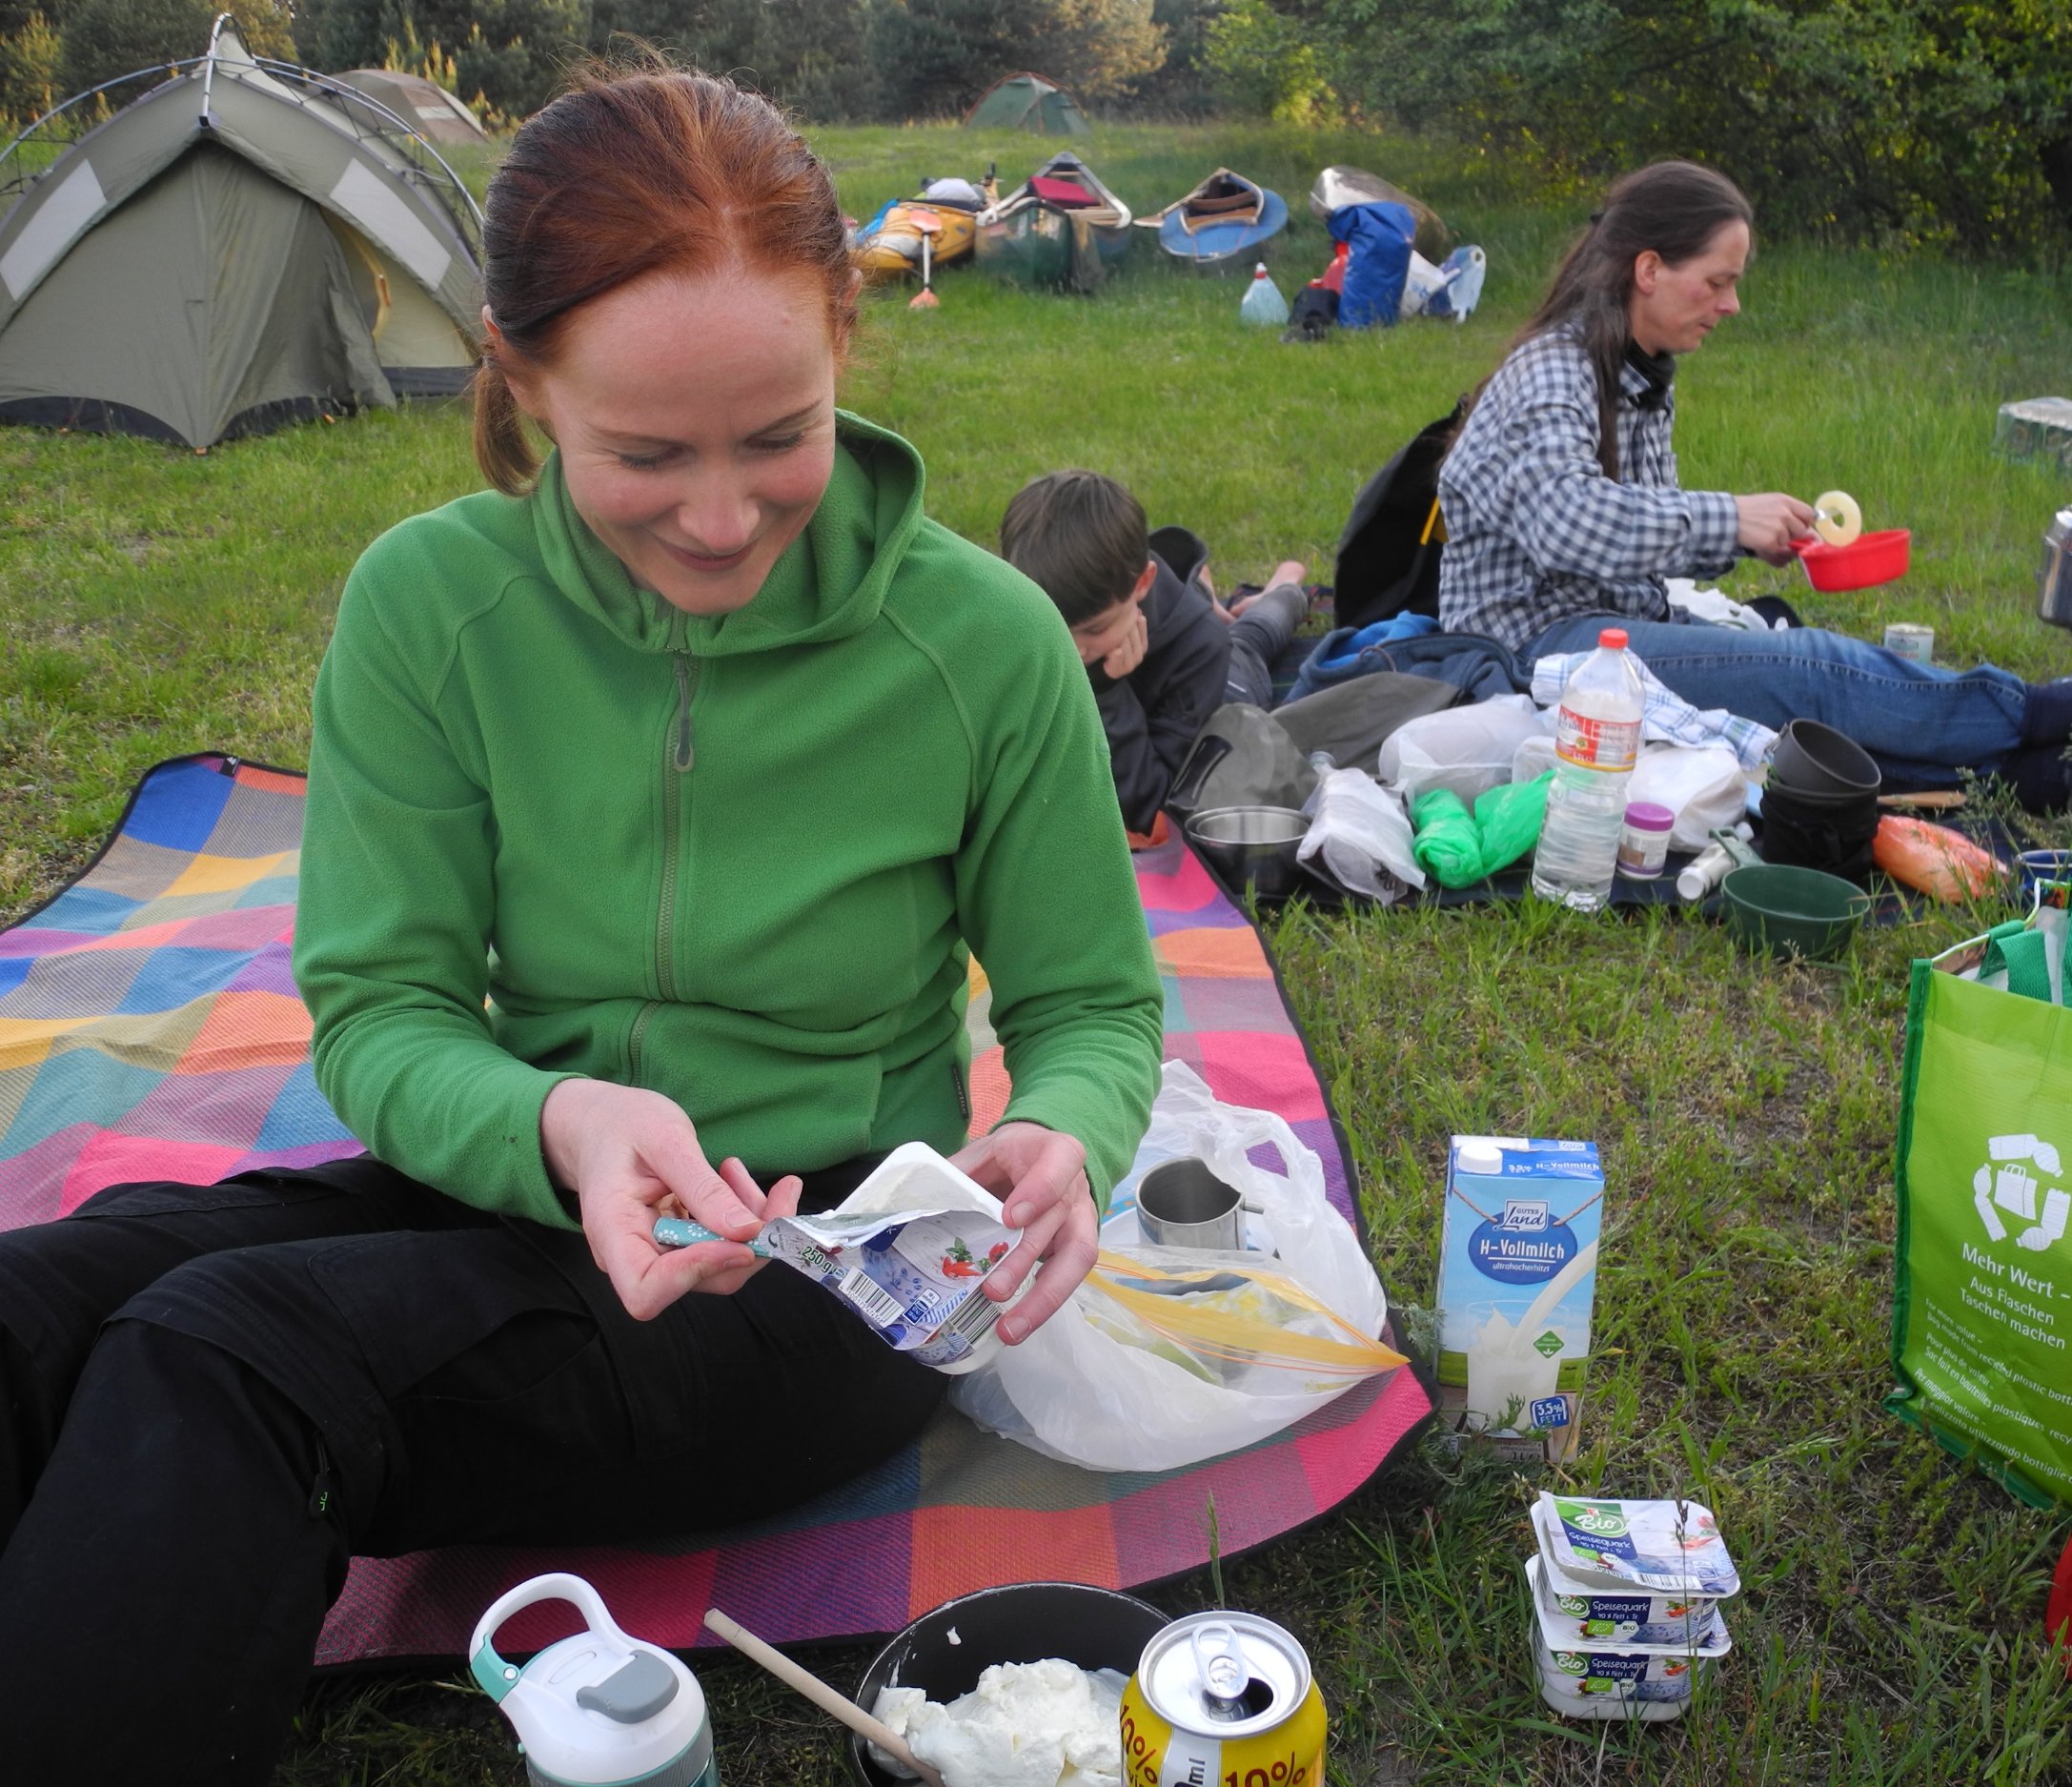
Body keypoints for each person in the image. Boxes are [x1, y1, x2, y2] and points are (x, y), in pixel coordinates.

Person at [0, 66, 1162, 1783]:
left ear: (846, 337)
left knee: (226, 1360)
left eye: (777, 436)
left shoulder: (980, 643)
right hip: (519, 1178)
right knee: (40, 1300)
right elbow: (383, 1010)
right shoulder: (430, 609)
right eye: (644, 454)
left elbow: (1093, 1006)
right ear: (519, 375)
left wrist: (1065, 1129)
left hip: (816, 1263)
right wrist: (560, 1122)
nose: (720, 519)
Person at [1434, 159, 2072, 808]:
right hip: (1536, 655)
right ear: (1649, 269)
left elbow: (1635, 534)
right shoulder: (1552, 370)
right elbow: (1569, 522)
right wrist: (1730, 520)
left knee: (1800, 727)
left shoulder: (1638, 372)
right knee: (1808, 669)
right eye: (1719, 281)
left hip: (1610, 632)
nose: (1731, 305)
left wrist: (1761, 536)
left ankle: (2063, 773)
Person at [1001, 469, 1310, 833]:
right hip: (1161, 615)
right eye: (1052, 627)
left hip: (1229, 684)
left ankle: (1286, 588)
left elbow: (1151, 808)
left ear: (1142, 582)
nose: (1073, 650)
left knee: (1252, 639)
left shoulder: (1202, 650)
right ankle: (1199, 590)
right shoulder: (1019, 608)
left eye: (1094, 629)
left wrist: (1105, 693)